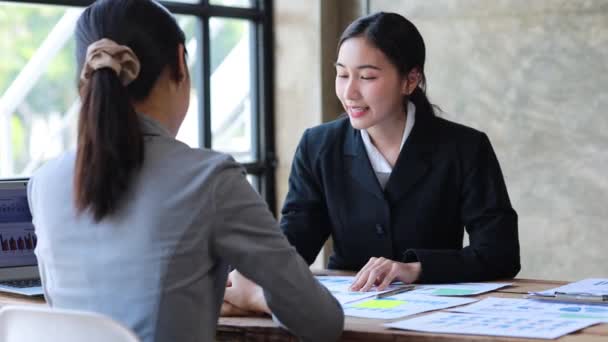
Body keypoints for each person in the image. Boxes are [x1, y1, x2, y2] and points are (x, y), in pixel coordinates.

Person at [26, 1, 343, 341]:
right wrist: (254, 295)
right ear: (180, 61)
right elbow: (320, 321)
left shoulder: (44, 184)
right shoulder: (209, 180)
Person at [280, 12, 520, 291]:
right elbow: (291, 247)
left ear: (410, 80)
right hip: (349, 309)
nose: (349, 92)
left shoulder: (465, 148)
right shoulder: (317, 146)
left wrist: (415, 269)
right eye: (342, 74)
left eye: (367, 76)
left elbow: (500, 253)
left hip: (437, 311)